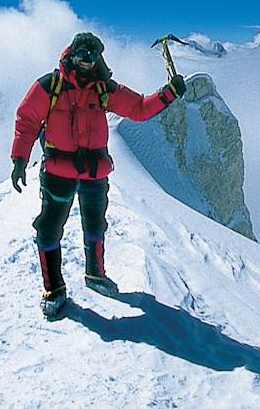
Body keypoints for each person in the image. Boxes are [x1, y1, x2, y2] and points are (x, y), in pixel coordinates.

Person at [10, 32, 185, 317]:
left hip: (93, 171)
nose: (87, 61)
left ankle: (95, 275)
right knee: (49, 227)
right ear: (71, 54)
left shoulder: (104, 89)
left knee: (95, 225)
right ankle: (53, 290)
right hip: (58, 169)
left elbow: (139, 109)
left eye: (92, 56)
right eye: (82, 55)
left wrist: (169, 93)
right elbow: (27, 119)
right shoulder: (51, 85)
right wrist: (20, 158)